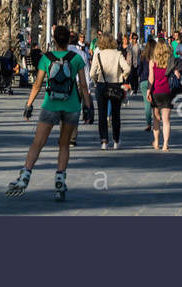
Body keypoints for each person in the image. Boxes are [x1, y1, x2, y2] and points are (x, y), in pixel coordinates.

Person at [7, 24, 94, 201]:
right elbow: (83, 85)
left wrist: (29, 105)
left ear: (54, 40)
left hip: (50, 105)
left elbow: (37, 84)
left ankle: (25, 175)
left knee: (38, 143)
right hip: (71, 106)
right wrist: (88, 107)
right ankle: (60, 180)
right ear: (68, 40)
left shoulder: (46, 58)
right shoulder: (76, 58)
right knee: (64, 144)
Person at [90, 33, 130, 150]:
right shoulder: (117, 53)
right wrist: (122, 77)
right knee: (116, 114)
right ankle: (116, 140)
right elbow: (127, 68)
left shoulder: (98, 54)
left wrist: (96, 80)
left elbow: (92, 73)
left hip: (102, 84)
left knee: (102, 114)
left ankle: (104, 141)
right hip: (116, 84)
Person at [147, 40, 174, 150]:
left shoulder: (152, 62)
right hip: (167, 91)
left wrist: (148, 91)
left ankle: (157, 142)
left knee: (156, 118)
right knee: (166, 120)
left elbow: (151, 78)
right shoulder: (170, 61)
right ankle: (165, 144)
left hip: (156, 92)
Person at [139, 39, 154, 132]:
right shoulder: (156, 56)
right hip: (155, 80)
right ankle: (157, 120)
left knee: (147, 103)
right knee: (155, 102)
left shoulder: (143, 56)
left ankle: (149, 123)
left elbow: (140, 69)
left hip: (144, 80)